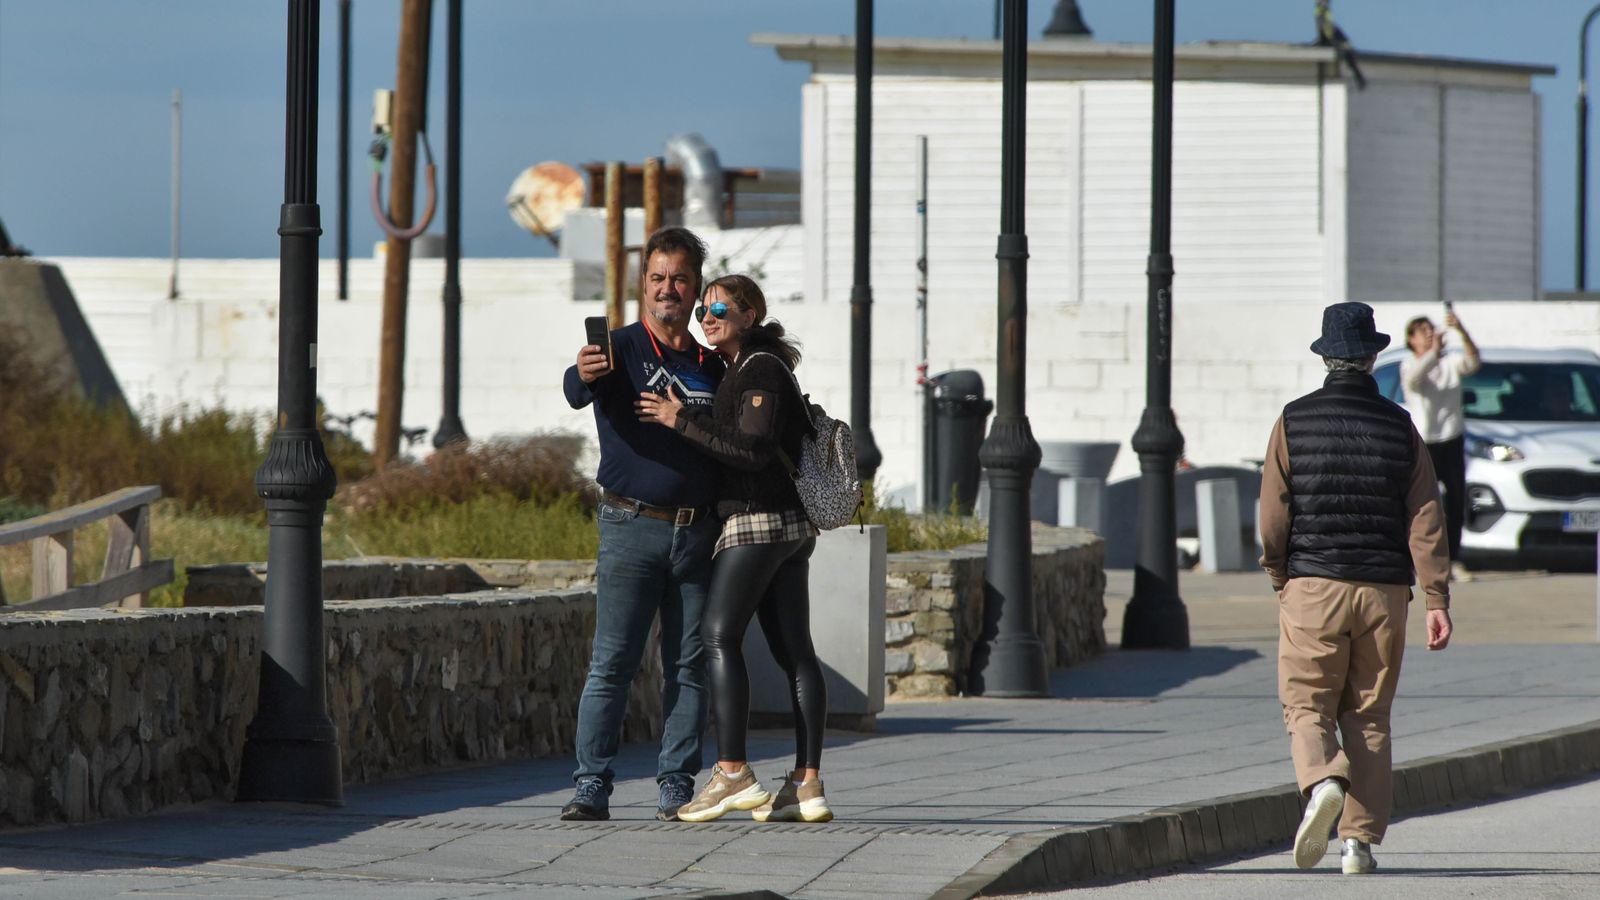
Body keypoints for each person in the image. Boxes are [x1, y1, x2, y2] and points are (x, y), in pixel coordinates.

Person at [1260, 301, 1454, 876]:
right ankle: (1357, 846)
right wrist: (1437, 597)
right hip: (1384, 591)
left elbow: (1273, 514)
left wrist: (1280, 576)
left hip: (1313, 584)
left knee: (1307, 703)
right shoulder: (1400, 426)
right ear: (1372, 358)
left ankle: (1323, 778)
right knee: (1369, 716)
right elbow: (1426, 515)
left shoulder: (1293, 421)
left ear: (1327, 358)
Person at [634, 273, 833, 824]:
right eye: (704, 309)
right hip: (789, 529)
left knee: (717, 637)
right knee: (795, 652)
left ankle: (732, 772)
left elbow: (750, 450)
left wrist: (681, 420)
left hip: (758, 523)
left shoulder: (759, 368)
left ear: (750, 315)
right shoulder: (744, 368)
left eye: (720, 308)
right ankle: (806, 786)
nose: (707, 316)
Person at [559, 226, 726, 822]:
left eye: (679, 279)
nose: (667, 289)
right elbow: (576, 389)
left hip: (699, 534)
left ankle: (676, 784)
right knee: (613, 664)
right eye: (657, 278)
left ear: (696, 287)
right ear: (643, 284)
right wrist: (583, 370)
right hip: (631, 526)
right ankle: (591, 785)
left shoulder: (712, 363)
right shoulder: (621, 348)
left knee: (689, 666)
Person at [1399, 310, 1480, 582]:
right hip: (1424, 443)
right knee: (1419, 503)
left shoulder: (1449, 362)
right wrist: (1433, 352)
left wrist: (1462, 331)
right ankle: (1415, 559)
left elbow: (1473, 362)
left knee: (1456, 503)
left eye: (1431, 329)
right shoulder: (1409, 364)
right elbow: (1414, 380)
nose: (1429, 334)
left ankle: (1453, 560)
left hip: (1451, 439)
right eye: (1422, 331)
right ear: (1411, 339)